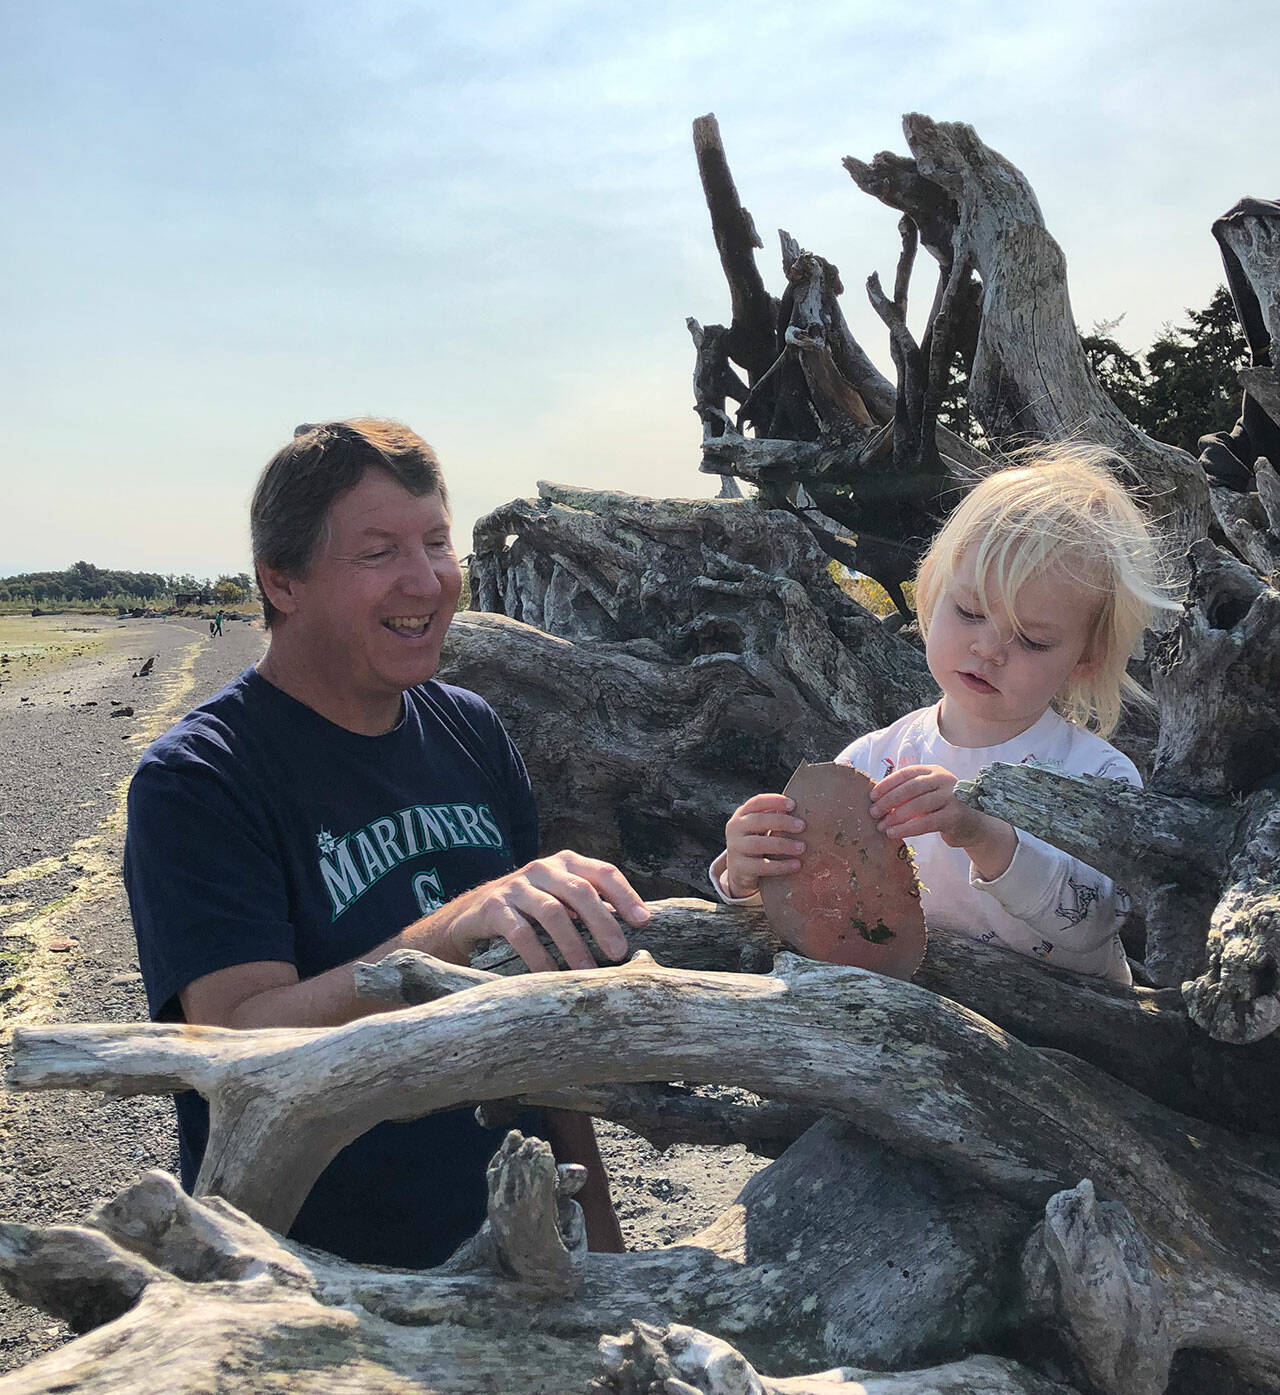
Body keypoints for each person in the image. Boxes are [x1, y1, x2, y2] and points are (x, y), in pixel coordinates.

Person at [124, 418, 650, 1266]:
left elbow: (541, 1002)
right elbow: (240, 1039)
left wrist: (597, 1232)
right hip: (314, 1272)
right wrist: (448, 931)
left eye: (438, 541)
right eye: (378, 552)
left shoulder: (470, 729)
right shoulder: (201, 778)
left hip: (515, 1239)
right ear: (282, 581)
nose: (429, 579)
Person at [710, 445, 1180, 985]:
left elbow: (1091, 922)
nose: (989, 650)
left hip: (1076, 1028)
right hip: (921, 1013)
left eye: (1032, 640)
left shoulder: (1099, 776)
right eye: (970, 613)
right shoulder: (871, 760)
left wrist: (980, 832)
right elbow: (824, 913)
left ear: (1086, 658)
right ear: (932, 591)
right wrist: (746, 874)